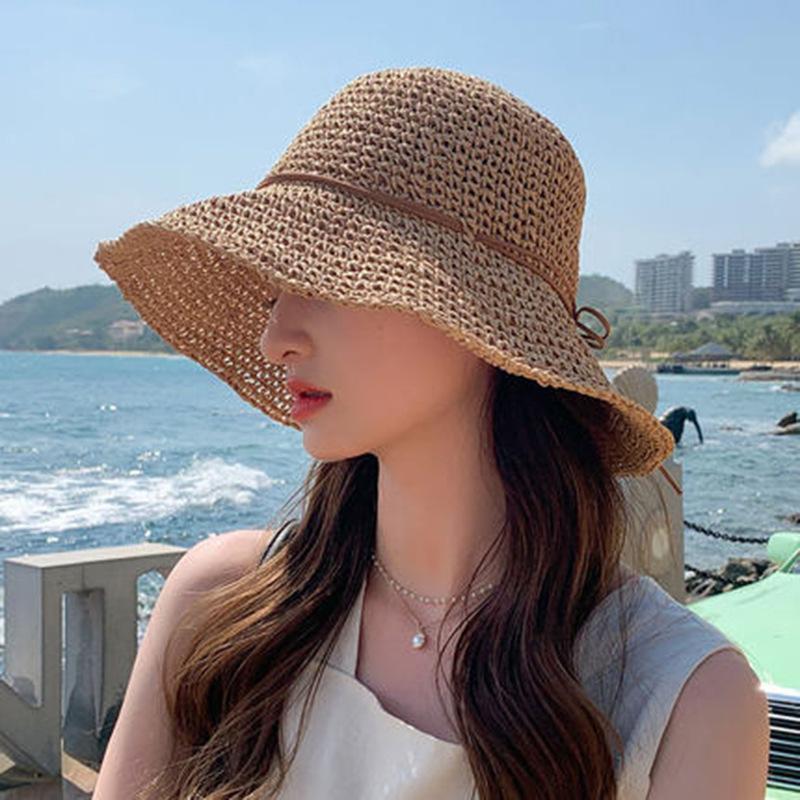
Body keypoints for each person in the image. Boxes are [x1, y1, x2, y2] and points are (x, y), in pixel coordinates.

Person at [91, 67, 769, 799]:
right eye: (276, 290)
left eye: (327, 278)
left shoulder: (682, 699)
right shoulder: (222, 606)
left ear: (480, 319)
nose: (275, 338)